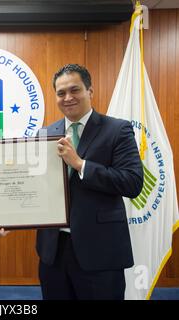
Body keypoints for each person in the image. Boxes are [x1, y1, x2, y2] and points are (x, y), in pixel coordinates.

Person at [36, 64, 144, 300]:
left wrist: (80, 164)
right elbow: (35, 188)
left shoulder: (117, 129)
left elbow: (132, 183)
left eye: (75, 90)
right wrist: (4, 217)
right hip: (53, 252)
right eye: (61, 93)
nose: (68, 98)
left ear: (90, 91)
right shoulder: (45, 134)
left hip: (101, 252)